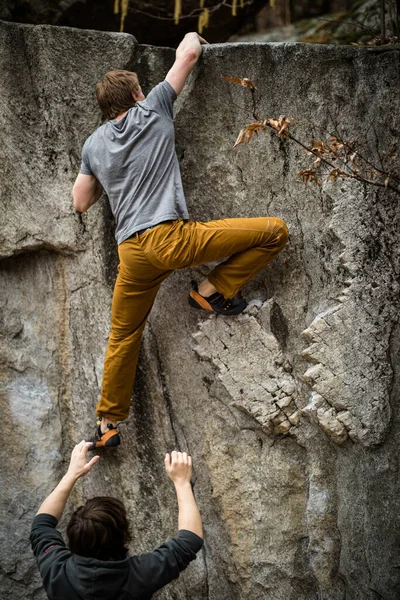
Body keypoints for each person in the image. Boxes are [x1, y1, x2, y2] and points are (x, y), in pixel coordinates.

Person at [72, 32, 289, 448]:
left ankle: (107, 424)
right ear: (136, 93)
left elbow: (81, 201)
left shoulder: (93, 144)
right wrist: (194, 32)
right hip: (171, 239)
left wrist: (110, 174)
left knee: (123, 335)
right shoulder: (152, 106)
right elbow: (188, 51)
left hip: (131, 253)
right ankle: (212, 290)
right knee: (273, 232)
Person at [30, 442, 203, 599]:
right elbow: (189, 541)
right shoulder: (139, 576)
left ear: (73, 538)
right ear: (125, 535)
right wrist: (181, 483)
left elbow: (41, 524)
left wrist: (71, 475)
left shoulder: (57, 572)